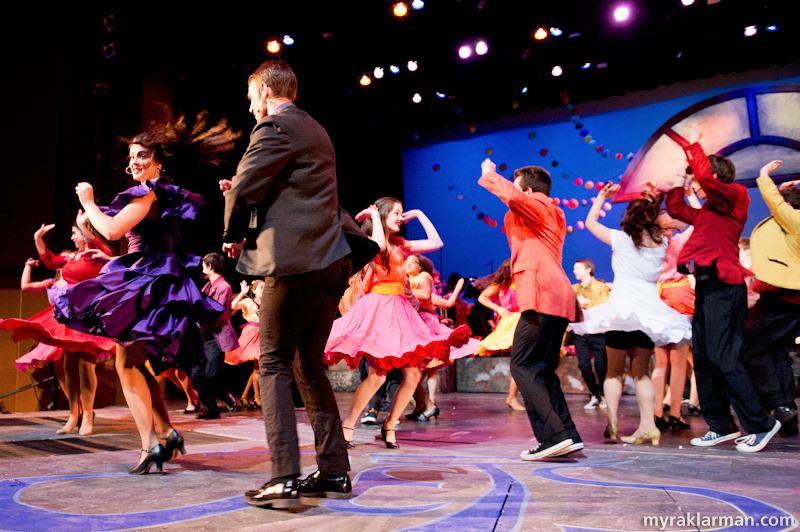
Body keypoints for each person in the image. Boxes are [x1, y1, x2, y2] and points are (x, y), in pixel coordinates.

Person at [221, 60, 378, 508]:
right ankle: (334, 471)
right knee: (306, 363)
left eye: (251, 95)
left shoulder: (274, 126)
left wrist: (232, 235)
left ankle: (283, 474)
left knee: (270, 361)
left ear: (267, 92)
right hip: (332, 260)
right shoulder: (313, 127)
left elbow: (245, 188)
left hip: (300, 260)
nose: (250, 105)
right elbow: (289, 195)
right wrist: (246, 198)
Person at [53, 112, 238, 474]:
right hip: (155, 276)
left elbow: (112, 229)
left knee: (127, 366)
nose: (133, 162)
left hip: (147, 280)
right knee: (132, 363)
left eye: (142, 156)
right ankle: (166, 433)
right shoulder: (164, 192)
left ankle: (150, 444)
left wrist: (89, 202)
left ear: (159, 161)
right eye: (131, 157)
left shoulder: (150, 192)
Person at [665, 123, 780, 452]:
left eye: (700, 181)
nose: (697, 187)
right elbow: (675, 208)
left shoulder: (735, 198)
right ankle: (721, 424)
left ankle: (761, 423)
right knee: (702, 356)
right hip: (705, 286)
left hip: (725, 287)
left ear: (713, 178)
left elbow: (705, 180)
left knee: (723, 356)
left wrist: (694, 146)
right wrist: (678, 179)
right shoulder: (707, 212)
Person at [325, 198, 469, 448]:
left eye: (402, 213)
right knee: (377, 376)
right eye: (396, 213)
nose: (401, 218)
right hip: (379, 308)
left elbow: (437, 242)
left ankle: (390, 425)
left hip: (399, 310)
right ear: (382, 216)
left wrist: (419, 213)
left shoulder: (400, 244)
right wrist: (374, 217)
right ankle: (348, 424)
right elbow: (378, 245)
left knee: (413, 374)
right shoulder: (371, 241)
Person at [572, 183, 692, 445]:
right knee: (643, 374)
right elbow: (688, 225)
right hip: (647, 315)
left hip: (621, 313)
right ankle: (649, 426)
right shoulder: (662, 244)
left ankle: (613, 422)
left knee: (613, 373)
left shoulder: (621, 239)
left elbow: (591, 223)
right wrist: (656, 201)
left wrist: (601, 198)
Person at [478, 159, 582, 460]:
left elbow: (514, 198)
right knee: (542, 369)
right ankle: (567, 434)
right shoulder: (549, 212)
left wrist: (489, 176)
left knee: (522, 365)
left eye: (516, 181)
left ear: (526, 187)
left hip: (543, 292)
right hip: (557, 295)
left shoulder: (539, 204)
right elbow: (515, 206)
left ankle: (552, 436)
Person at [1, 218, 116, 436]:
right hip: (70, 314)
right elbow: (50, 260)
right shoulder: (71, 257)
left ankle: (88, 416)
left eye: (75, 233)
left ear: (85, 234)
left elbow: (95, 240)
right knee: (68, 365)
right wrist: (38, 238)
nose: (73, 238)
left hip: (89, 314)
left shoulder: (96, 252)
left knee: (85, 364)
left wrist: (84, 223)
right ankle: (74, 414)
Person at [742, 162, 800, 435]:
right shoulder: (792, 224)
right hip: (788, 298)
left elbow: (779, 208)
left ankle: (777, 403)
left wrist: (764, 177)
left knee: (750, 348)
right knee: (777, 352)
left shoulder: (797, 221)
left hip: (783, 299)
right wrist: (787, 193)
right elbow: (779, 211)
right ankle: (786, 410)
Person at [405, 254, 476, 420]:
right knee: (420, 368)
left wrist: (459, 288)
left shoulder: (423, 278)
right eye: (406, 262)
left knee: (429, 366)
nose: (408, 265)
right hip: (416, 321)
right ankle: (425, 404)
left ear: (421, 266)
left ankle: (429, 402)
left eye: (412, 262)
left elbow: (446, 301)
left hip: (425, 323)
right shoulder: (408, 280)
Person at [651, 210, 695, 431]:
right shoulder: (677, 242)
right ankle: (676, 413)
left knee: (661, 363)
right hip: (679, 298)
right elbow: (697, 224)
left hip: (659, 300)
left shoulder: (648, 246)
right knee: (679, 364)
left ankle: (657, 412)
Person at [472, 259, 526, 411]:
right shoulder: (503, 284)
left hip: (524, 320)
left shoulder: (522, 281)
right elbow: (482, 297)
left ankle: (514, 396)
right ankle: (512, 397)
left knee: (521, 360)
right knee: (519, 359)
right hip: (511, 322)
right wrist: (498, 308)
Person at [191, 252, 240, 419]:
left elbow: (217, 313)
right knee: (197, 373)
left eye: (203, 266)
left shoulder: (223, 286)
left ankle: (226, 395)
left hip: (216, 335)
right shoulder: (207, 286)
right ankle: (211, 409)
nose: (202, 270)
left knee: (211, 374)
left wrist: (199, 324)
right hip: (204, 335)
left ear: (209, 267)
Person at [571, 259, 610, 410]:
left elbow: (606, 305)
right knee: (584, 364)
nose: (575, 271)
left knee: (601, 367)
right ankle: (595, 394)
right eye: (574, 268)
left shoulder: (601, 287)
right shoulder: (573, 288)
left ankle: (604, 394)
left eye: (578, 268)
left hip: (598, 331)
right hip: (581, 331)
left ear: (588, 270)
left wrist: (586, 302)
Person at [226, 280, 265, 409]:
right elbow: (233, 306)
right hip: (251, 335)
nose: (263, 290)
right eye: (261, 287)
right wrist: (243, 293)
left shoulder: (266, 303)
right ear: (254, 291)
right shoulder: (249, 302)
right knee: (258, 365)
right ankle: (257, 397)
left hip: (263, 335)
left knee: (257, 367)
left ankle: (244, 395)